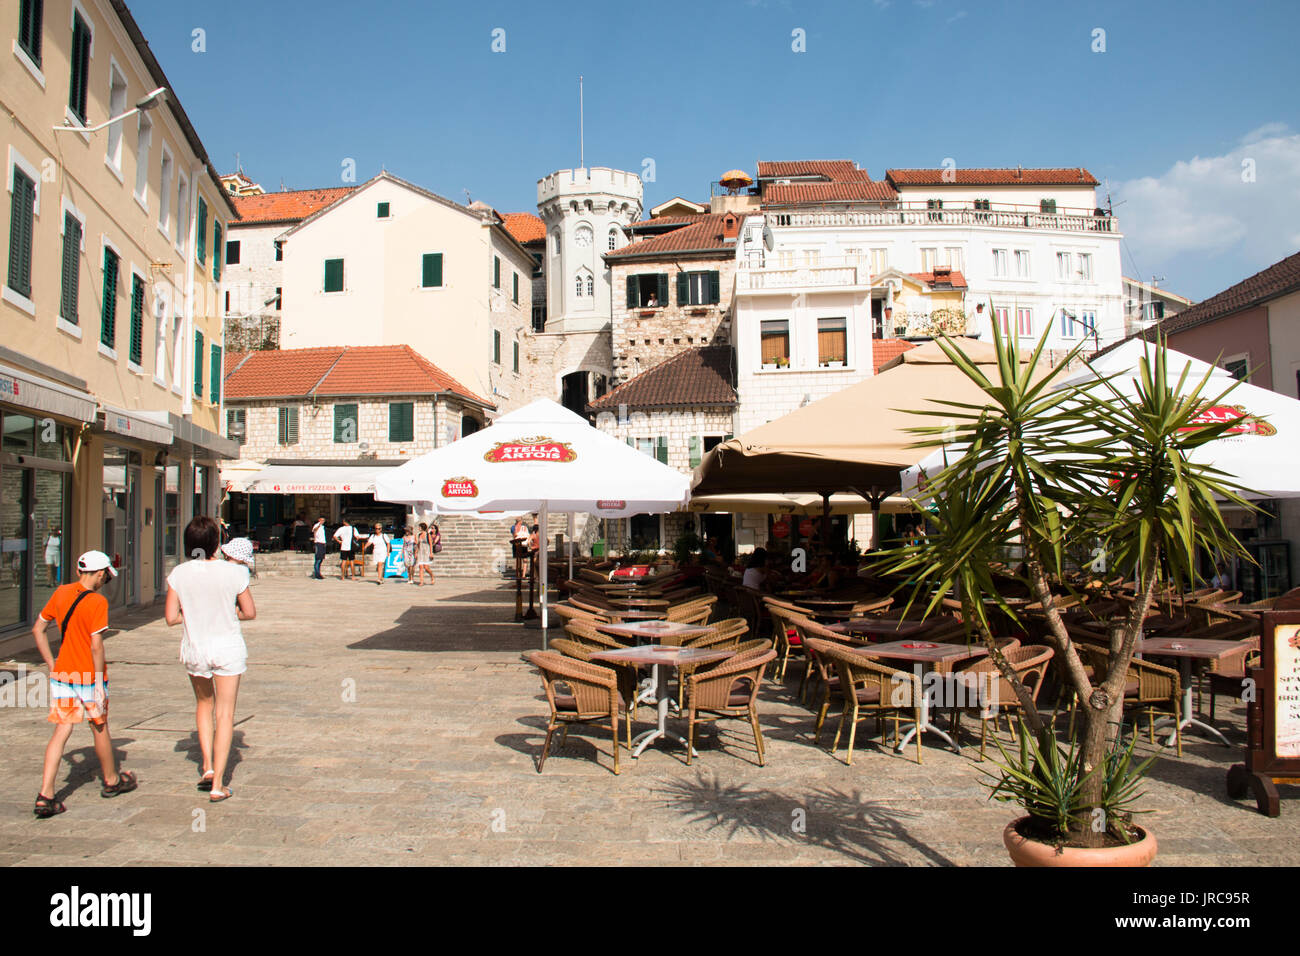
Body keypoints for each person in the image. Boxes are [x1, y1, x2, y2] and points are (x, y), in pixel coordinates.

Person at [31, 550, 137, 817]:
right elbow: (96, 646)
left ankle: (46, 794)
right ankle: (112, 780)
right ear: (100, 574)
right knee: (99, 726)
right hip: (89, 677)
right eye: (106, 577)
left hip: (64, 674)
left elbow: (38, 629)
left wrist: (51, 664)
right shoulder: (97, 603)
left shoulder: (61, 592)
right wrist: (100, 684)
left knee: (62, 730)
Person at [164, 516, 255, 802]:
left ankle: (206, 766)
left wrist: (192, 615)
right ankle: (218, 784)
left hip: (195, 648)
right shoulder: (234, 573)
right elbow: (249, 612)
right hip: (227, 647)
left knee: (204, 705)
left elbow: (170, 618)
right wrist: (229, 613)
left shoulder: (179, 573)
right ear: (216, 542)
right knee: (225, 714)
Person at [413, 521, 434, 587]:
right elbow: (418, 545)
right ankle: (421, 581)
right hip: (420, 552)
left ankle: (432, 576)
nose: (419, 528)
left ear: (422, 528)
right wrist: (416, 553)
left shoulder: (428, 535)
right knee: (420, 567)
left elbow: (430, 544)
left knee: (426, 567)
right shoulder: (419, 535)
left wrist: (431, 553)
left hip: (426, 552)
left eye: (419, 527)